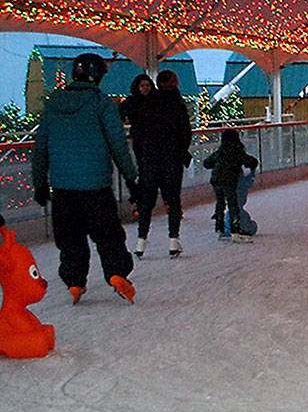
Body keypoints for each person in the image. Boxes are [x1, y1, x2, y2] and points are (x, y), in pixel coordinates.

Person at [31, 52, 140, 304]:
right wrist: (132, 180)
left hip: (62, 188)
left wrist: (39, 183)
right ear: (97, 76)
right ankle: (116, 273)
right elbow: (118, 146)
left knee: (70, 238)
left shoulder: (53, 105)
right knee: (108, 235)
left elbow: (40, 148)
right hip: (96, 186)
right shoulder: (101, 104)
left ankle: (75, 282)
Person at [122, 69, 192, 258]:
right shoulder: (177, 104)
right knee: (173, 199)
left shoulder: (149, 103)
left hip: (150, 160)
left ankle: (141, 241)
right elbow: (186, 132)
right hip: (171, 160)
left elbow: (140, 129)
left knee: (147, 201)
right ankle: (173, 240)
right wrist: (179, 151)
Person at [203, 129, 258, 243]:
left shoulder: (220, 152)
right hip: (230, 181)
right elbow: (251, 161)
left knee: (220, 203)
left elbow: (207, 163)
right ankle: (235, 231)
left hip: (216, 180)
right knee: (233, 205)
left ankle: (219, 228)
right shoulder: (237, 151)